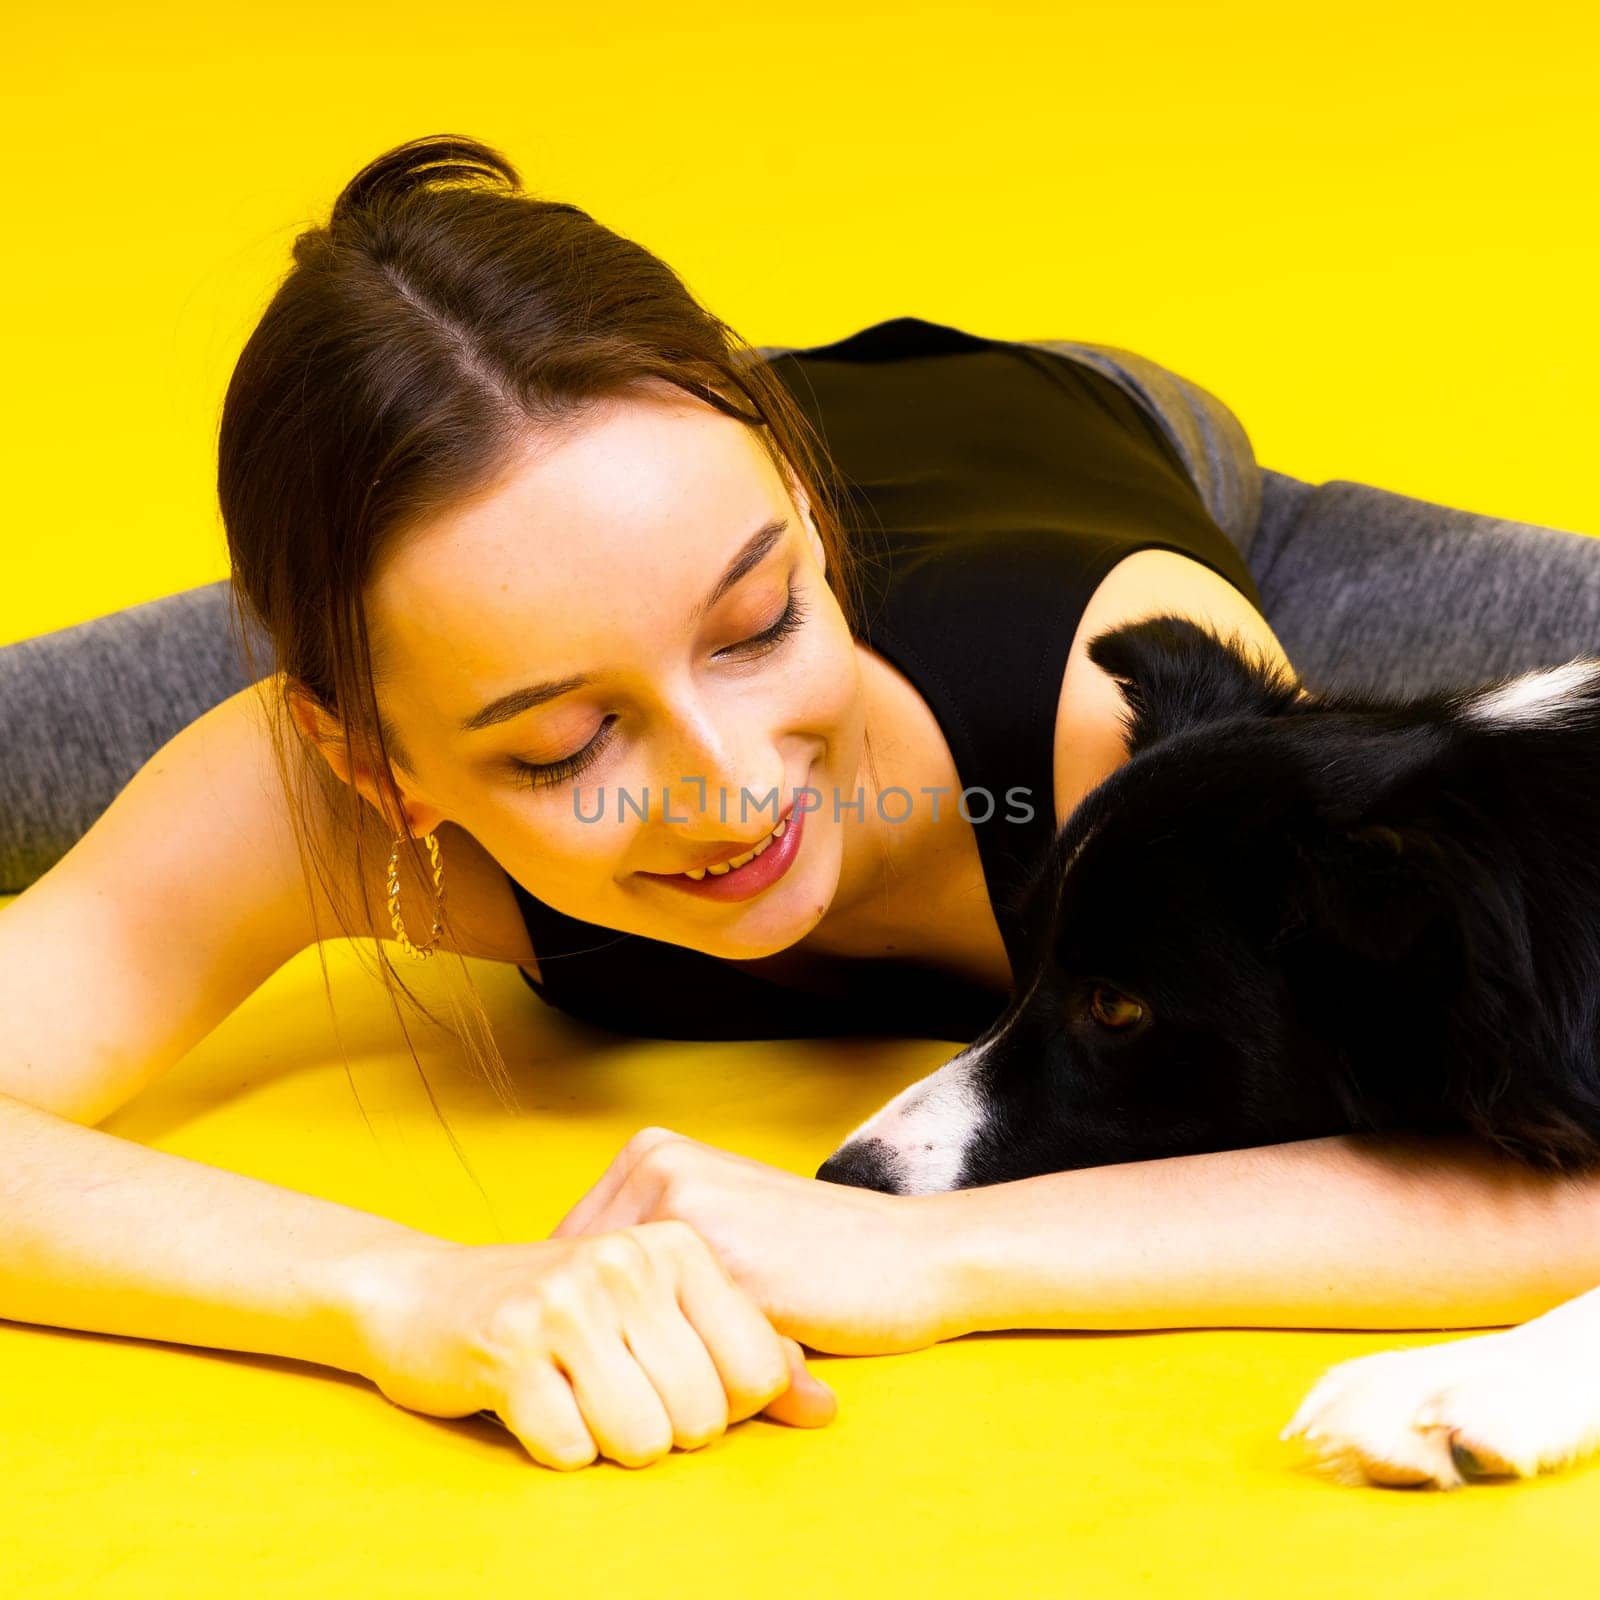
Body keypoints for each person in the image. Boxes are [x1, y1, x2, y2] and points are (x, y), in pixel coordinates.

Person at [4, 135, 1596, 1484]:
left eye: (760, 628)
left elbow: (1555, 1171)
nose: (736, 783)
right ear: (382, 773)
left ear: (809, 524)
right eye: (564, 745)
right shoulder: (318, 784)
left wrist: (927, 1260)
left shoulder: (1126, 742)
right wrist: (397, 1294)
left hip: (1094, 471)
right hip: (555, 521)